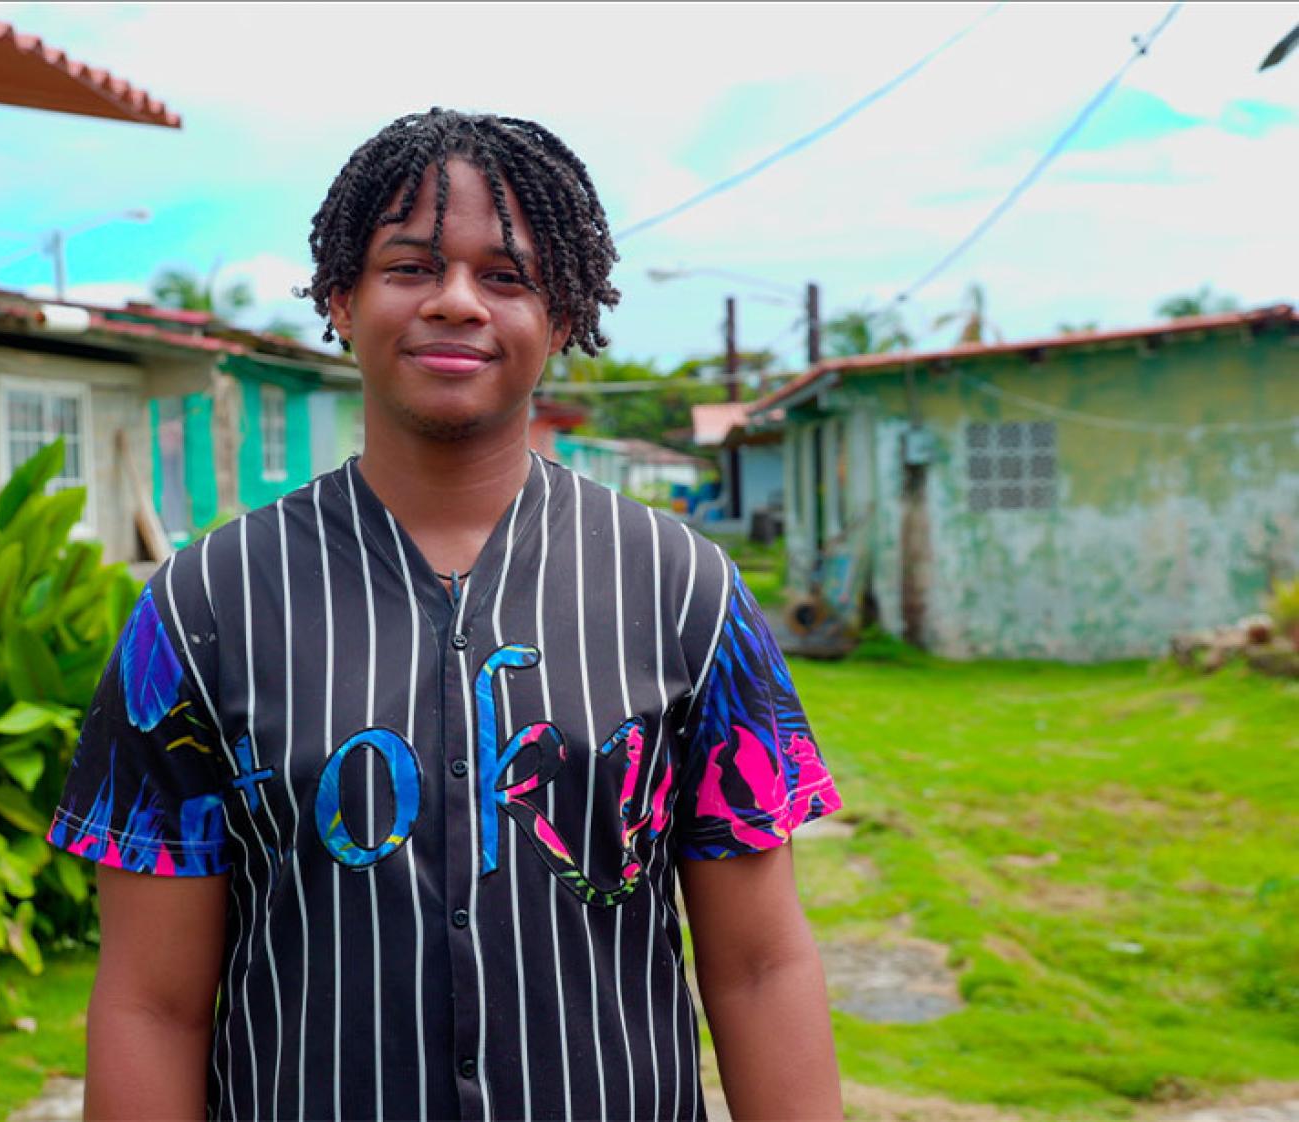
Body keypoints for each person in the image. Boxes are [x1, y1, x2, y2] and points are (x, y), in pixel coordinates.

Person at [48, 108, 844, 1122]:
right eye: (409, 266)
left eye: (505, 277)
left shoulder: (683, 589)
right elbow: (152, 1006)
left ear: (560, 319)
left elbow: (761, 967)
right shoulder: (202, 607)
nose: (456, 302)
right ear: (339, 299)